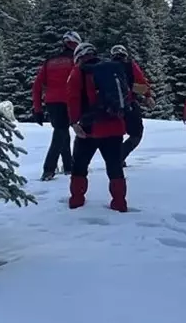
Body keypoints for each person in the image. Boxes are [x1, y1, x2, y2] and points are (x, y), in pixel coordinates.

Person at [67, 42, 129, 213]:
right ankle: (119, 202)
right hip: (115, 126)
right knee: (115, 166)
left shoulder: (80, 71)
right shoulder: (112, 69)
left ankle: (77, 200)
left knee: (79, 164)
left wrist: (74, 122)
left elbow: (73, 98)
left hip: (90, 127)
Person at [32, 30, 82, 181]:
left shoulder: (50, 61)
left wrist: (37, 108)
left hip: (51, 102)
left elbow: (37, 85)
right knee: (60, 133)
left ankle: (68, 166)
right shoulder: (75, 60)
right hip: (68, 101)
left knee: (62, 131)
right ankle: (49, 169)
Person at [110, 44, 152, 164]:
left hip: (110, 107)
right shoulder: (130, 65)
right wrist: (147, 96)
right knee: (136, 134)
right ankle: (119, 157)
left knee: (116, 134)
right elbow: (142, 82)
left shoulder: (105, 67)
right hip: (129, 104)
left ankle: (116, 157)